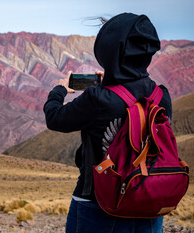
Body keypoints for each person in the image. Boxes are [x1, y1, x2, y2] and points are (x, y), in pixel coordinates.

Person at [43, 13, 171, 233]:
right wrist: (112, 84)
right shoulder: (162, 96)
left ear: (109, 50)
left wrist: (59, 90)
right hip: (149, 203)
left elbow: (55, 118)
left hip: (96, 206)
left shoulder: (97, 98)